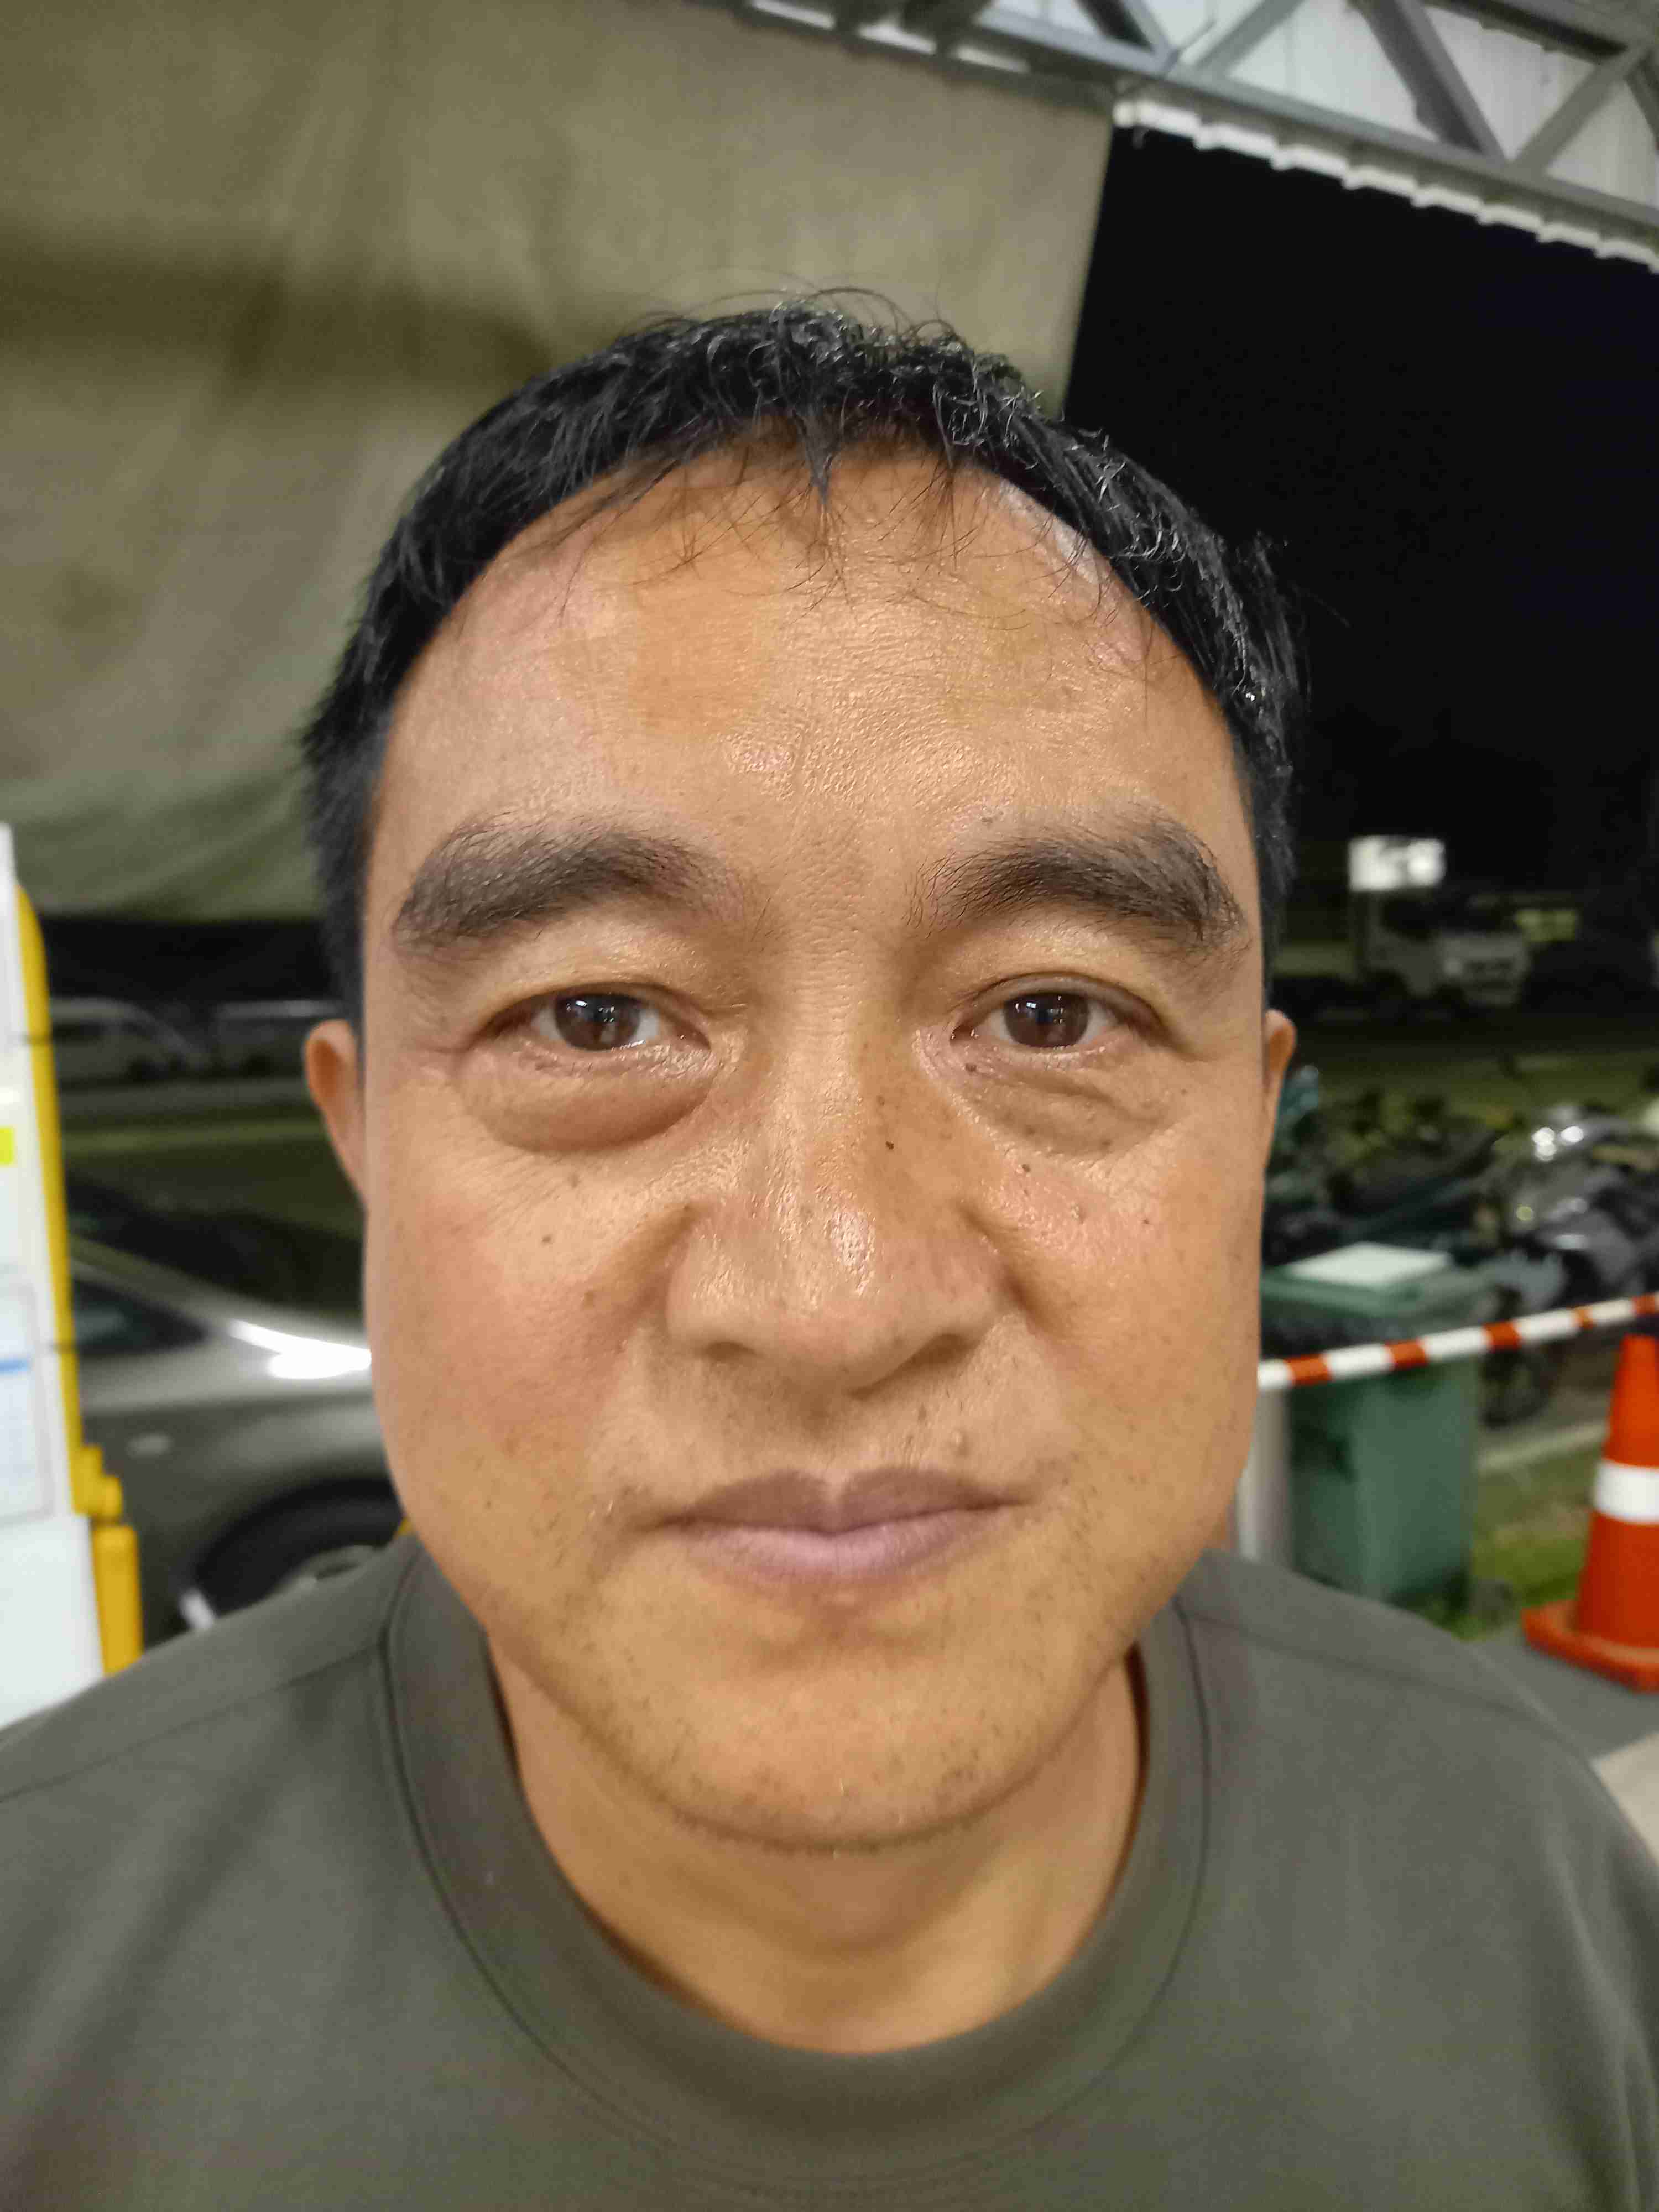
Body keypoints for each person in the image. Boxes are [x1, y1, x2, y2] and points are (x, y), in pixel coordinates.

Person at [4, 302, 1657, 2208]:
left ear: (1253, 1126)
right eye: (596, 1018)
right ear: (363, 1134)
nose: (833, 1303)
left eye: (1050, 1014)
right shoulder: (42, 1996)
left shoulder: (1530, 1895)